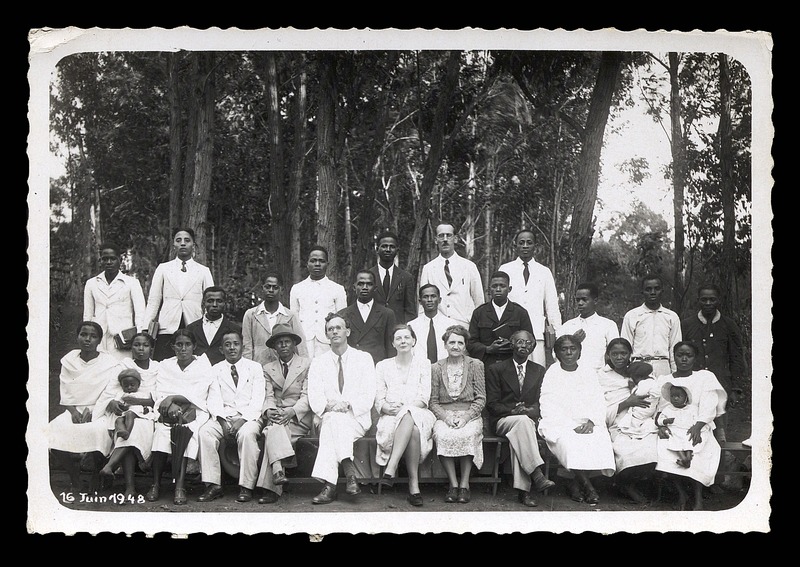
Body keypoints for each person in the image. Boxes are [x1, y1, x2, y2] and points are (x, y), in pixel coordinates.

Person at [307, 313, 377, 504]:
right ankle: (350, 474)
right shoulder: (318, 362)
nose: (334, 331)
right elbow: (315, 396)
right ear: (326, 335)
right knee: (334, 421)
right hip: (329, 416)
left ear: (347, 331)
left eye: (338, 327)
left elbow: (368, 394)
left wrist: (347, 404)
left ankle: (330, 486)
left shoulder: (363, 359)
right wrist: (329, 407)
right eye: (330, 329)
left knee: (335, 423)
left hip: (357, 417)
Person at [538, 334, 616, 505]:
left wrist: (591, 421)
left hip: (587, 421)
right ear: (557, 353)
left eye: (573, 349)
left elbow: (597, 399)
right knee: (571, 441)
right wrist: (569, 425)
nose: (568, 353)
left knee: (599, 438)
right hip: (559, 423)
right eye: (564, 349)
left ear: (579, 352)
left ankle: (573, 482)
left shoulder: (587, 371)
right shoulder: (552, 373)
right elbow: (548, 403)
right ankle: (587, 486)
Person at [651, 341, 727, 510]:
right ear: (674, 357)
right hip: (673, 428)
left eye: (689, 355)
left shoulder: (704, 377)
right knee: (666, 453)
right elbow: (660, 408)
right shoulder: (665, 380)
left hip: (698, 424)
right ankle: (681, 495)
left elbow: (709, 404)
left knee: (698, 451)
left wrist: (698, 426)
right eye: (680, 355)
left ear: (695, 358)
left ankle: (698, 498)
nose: (684, 359)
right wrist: (661, 426)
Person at [48, 321, 122, 493]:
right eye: (83, 334)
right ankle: (75, 476)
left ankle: (97, 473)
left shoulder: (109, 362)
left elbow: (111, 390)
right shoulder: (68, 360)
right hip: (74, 408)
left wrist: (95, 411)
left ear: (99, 340)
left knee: (99, 430)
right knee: (54, 429)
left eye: (93, 336)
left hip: (100, 409)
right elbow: (65, 391)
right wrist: (73, 411)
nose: (87, 339)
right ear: (77, 336)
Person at [485, 330, 556, 507]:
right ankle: (536, 475)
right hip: (503, 420)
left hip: (527, 422)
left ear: (533, 347)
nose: (524, 346)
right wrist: (514, 410)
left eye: (528, 343)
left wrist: (530, 410)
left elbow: (543, 401)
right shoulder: (496, 369)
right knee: (522, 424)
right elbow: (492, 404)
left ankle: (524, 491)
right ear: (512, 343)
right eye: (519, 342)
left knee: (521, 430)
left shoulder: (539, 371)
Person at [197, 330, 266, 503]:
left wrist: (243, 419)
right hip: (223, 417)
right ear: (221, 349)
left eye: (235, 343)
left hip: (248, 417)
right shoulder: (215, 370)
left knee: (247, 434)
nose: (232, 348)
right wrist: (222, 421)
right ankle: (213, 484)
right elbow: (213, 398)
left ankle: (246, 486)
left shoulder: (255, 367)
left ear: (242, 346)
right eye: (227, 345)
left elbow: (258, 399)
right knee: (205, 433)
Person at [146, 329, 214, 505]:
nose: (183, 349)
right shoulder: (165, 365)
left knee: (186, 432)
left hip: (194, 411)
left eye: (187, 344)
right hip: (168, 410)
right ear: (173, 346)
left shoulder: (203, 365)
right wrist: (169, 402)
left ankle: (180, 486)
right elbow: (160, 391)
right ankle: (155, 483)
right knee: (161, 432)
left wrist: (173, 398)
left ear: (194, 346)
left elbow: (200, 393)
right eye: (179, 344)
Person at [374, 324, 436, 507]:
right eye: (398, 338)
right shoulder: (383, 366)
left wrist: (404, 409)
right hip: (391, 416)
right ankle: (414, 486)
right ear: (393, 343)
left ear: (414, 341)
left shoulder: (424, 363)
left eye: (407, 337)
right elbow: (379, 398)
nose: (403, 341)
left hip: (420, 412)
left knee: (409, 413)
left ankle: (391, 466)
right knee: (413, 430)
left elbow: (424, 398)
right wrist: (386, 407)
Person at [680, 283, 747, 443]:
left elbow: (736, 357)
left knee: (720, 432)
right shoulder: (687, 325)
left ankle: (722, 463)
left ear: (718, 301)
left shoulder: (728, 325)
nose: (708, 303)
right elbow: (679, 354)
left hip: (720, 385)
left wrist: (735, 388)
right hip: (693, 385)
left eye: (712, 299)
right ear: (698, 301)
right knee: (694, 427)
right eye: (704, 299)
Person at [95, 332, 159, 499]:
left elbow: (158, 396)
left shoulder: (157, 368)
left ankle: (113, 467)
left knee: (134, 429)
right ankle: (129, 486)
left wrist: (140, 402)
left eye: (145, 345)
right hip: (123, 411)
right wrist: (112, 403)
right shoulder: (124, 365)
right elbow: (112, 389)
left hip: (147, 413)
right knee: (129, 430)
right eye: (136, 345)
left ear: (151, 349)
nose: (140, 349)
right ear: (131, 348)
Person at [255, 324, 313, 504]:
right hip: (278, 416)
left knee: (272, 431)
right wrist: (270, 411)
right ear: (274, 347)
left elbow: (307, 395)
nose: (284, 345)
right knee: (274, 428)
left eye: (287, 341)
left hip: (297, 418)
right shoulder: (267, 368)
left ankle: (273, 485)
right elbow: (268, 395)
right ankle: (277, 473)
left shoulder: (307, 364)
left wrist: (292, 411)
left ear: (294, 344)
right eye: (279, 343)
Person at [597, 337, 659, 505]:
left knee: (652, 446)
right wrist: (627, 402)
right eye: (614, 354)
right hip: (617, 423)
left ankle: (636, 484)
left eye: (623, 353)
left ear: (630, 355)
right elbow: (598, 410)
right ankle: (625, 485)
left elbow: (654, 397)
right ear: (608, 355)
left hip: (642, 422)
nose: (619, 357)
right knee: (626, 450)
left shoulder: (641, 372)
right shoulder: (601, 377)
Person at [429, 325, 486, 504]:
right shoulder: (436, 367)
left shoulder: (476, 365)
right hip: (444, 414)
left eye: (460, 343)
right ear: (445, 345)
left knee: (467, 434)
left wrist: (466, 417)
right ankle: (453, 485)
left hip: (469, 413)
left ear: (465, 345)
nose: (455, 346)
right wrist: (446, 418)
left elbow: (481, 397)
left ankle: (464, 484)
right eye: (451, 342)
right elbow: (433, 401)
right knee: (442, 434)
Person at [145, 228, 214, 361]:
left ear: (193, 245)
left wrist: (208, 326)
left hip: (194, 326)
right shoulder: (163, 269)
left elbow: (210, 300)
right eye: (179, 240)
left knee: (195, 366)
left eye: (187, 240)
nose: (183, 243)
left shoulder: (203, 271)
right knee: (164, 365)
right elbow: (154, 301)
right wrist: (145, 328)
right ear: (174, 245)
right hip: (167, 328)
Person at [498, 229, 562, 367]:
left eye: (529, 242)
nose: (525, 246)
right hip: (511, 334)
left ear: (535, 246)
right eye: (521, 243)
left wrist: (557, 335)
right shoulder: (505, 269)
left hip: (536, 334)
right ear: (515, 246)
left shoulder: (544, 272)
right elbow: (499, 301)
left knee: (536, 373)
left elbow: (551, 306)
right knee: (510, 372)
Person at [83, 243, 147, 360]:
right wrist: (87, 337)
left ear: (120, 260)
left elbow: (140, 313)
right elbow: (87, 314)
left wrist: (138, 338)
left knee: (121, 371)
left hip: (122, 338)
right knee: (99, 372)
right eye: (105, 259)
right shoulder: (91, 283)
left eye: (112, 259)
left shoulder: (131, 283)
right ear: (100, 260)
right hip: (99, 338)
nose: (108, 262)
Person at [417, 223, 484, 329]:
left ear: (455, 239)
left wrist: (477, 326)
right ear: (435, 240)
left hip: (464, 325)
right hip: (438, 326)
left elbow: (479, 300)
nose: (445, 239)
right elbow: (423, 302)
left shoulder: (469, 266)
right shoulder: (429, 268)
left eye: (448, 235)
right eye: (441, 236)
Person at [289, 245, 348, 358]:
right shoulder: (297, 288)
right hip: (303, 342)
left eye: (321, 261)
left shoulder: (337, 289)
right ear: (307, 264)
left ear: (327, 264)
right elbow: (294, 319)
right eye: (313, 261)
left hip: (328, 343)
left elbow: (341, 320)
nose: (317, 264)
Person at [467, 270, 534, 369]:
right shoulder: (479, 312)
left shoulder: (520, 312)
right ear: (489, 289)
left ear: (509, 289)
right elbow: (470, 343)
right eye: (494, 286)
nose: (498, 289)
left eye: (502, 286)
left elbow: (531, 341)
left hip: (513, 365)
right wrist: (487, 349)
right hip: (486, 366)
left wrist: (514, 346)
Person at [621, 274, 682, 377]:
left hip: (663, 366)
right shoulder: (632, 316)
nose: (653, 292)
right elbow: (625, 347)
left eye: (657, 289)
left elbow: (675, 349)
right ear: (642, 292)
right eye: (648, 289)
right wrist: (626, 373)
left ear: (662, 291)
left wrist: (676, 375)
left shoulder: (671, 317)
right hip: (639, 366)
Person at [241, 271, 308, 366]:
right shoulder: (251, 315)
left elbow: (300, 346)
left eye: (275, 287)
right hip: (259, 368)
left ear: (282, 290)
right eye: (267, 287)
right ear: (262, 289)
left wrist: (303, 367)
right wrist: (248, 370)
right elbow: (246, 346)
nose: (271, 290)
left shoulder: (290, 315)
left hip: (284, 368)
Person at [337, 270, 397, 365]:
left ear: (375, 288)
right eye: (360, 284)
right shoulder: (343, 314)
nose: (365, 287)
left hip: (377, 366)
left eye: (369, 284)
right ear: (354, 287)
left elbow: (391, 347)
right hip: (352, 366)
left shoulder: (387, 314)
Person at [559, 282, 619, 371]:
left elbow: (616, 352)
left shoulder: (608, 325)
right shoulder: (567, 326)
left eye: (584, 299)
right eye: (578, 300)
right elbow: (556, 354)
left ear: (595, 301)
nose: (580, 303)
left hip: (598, 375)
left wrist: (605, 372)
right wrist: (573, 341)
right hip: (572, 375)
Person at [368, 231, 417, 325]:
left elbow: (410, 311)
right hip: (374, 331)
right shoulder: (368, 276)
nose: (388, 249)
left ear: (397, 250)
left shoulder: (406, 278)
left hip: (398, 332)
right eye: (384, 246)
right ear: (377, 249)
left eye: (392, 246)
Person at [184, 286, 242, 366]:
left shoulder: (234, 329)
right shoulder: (191, 328)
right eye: (210, 301)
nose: (214, 304)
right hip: (196, 374)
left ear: (225, 303)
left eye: (219, 301)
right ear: (204, 303)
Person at [407, 284, 458, 364]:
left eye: (433, 296)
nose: (429, 300)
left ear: (439, 300)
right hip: (420, 369)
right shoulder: (412, 325)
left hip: (445, 369)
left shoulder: (450, 324)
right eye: (425, 297)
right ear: (420, 301)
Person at [655, 383, 702, 469]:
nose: (675, 398)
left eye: (678, 396)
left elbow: (697, 419)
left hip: (687, 430)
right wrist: (665, 421)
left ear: (685, 398)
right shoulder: (668, 409)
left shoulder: (692, 409)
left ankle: (688, 458)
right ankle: (683, 458)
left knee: (689, 440)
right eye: (673, 396)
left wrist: (694, 426)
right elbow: (659, 420)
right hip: (674, 430)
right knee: (674, 439)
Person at [105, 368, 153, 440]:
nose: (129, 387)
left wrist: (147, 409)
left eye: (132, 385)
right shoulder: (121, 394)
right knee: (118, 420)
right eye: (126, 386)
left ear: (138, 385)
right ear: (122, 386)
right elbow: (117, 402)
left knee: (130, 414)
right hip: (124, 412)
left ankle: (128, 431)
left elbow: (146, 404)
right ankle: (123, 431)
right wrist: (120, 406)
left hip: (135, 412)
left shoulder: (142, 394)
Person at [616, 361, 659, 438]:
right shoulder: (653, 380)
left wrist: (632, 388)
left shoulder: (645, 383)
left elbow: (637, 395)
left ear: (637, 377)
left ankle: (635, 430)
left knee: (636, 417)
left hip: (645, 408)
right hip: (649, 407)